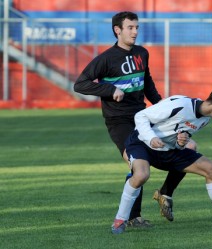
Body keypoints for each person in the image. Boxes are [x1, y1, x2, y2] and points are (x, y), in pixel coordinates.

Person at [74, 11, 191, 227]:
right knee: (139, 164)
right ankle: (133, 217)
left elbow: (147, 82)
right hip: (119, 121)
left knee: (187, 146)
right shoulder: (105, 59)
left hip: (143, 117)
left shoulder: (142, 53)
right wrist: (109, 89)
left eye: (136, 27)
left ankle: (166, 192)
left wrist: (161, 106)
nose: (135, 31)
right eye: (130, 27)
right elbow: (80, 84)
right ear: (117, 30)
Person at [111, 86, 212, 234]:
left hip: (167, 150)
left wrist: (180, 143)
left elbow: (177, 141)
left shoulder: (204, 120)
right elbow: (141, 116)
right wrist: (151, 138)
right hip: (141, 143)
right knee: (141, 175)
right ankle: (119, 220)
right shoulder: (180, 104)